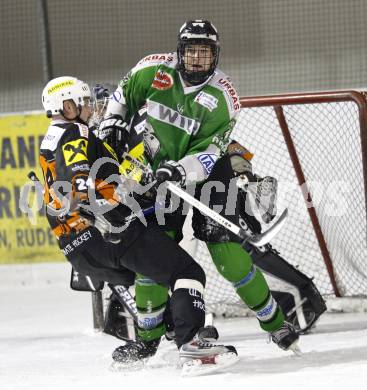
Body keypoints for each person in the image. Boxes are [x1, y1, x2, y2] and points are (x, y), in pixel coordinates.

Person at [97, 19, 301, 365]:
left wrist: (180, 169)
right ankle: (146, 340)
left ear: (215, 56)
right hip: (155, 172)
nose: (196, 59)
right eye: (191, 51)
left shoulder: (224, 97)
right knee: (155, 254)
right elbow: (120, 99)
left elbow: (210, 153)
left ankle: (276, 323)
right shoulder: (152, 71)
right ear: (180, 51)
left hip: (207, 175)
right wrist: (113, 121)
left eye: (204, 53)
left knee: (228, 256)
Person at [39, 76, 238, 374]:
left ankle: (157, 337)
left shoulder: (50, 139)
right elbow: (77, 182)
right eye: (82, 103)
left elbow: (69, 190)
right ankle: (191, 342)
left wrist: (134, 180)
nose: (90, 108)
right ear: (66, 106)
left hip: (77, 248)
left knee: (153, 273)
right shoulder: (74, 132)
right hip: (109, 231)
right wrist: (102, 216)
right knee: (186, 271)